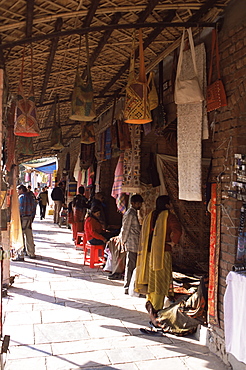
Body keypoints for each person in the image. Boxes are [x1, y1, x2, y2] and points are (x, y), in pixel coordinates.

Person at [135, 195, 182, 323]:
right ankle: (156, 310)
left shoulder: (150, 215)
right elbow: (177, 230)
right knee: (160, 280)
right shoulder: (169, 216)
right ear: (167, 205)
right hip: (162, 252)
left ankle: (150, 303)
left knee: (152, 278)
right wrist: (173, 242)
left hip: (148, 253)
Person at [113, 194, 143, 292]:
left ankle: (131, 285)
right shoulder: (130, 213)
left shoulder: (133, 213)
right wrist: (123, 241)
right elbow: (125, 228)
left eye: (140, 203)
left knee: (132, 264)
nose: (140, 205)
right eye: (138, 203)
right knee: (130, 265)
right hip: (131, 243)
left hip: (134, 242)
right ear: (133, 203)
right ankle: (127, 286)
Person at [14, 184, 37, 261]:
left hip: (22, 218)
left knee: (20, 236)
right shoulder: (31, 197)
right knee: (29, 236)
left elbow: (20, 208)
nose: (17, 192)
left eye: (18, 190)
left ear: (21, 190)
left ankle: (20, 255)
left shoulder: (21, 197)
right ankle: (31, 253)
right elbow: (34, 208)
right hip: (29, 218)